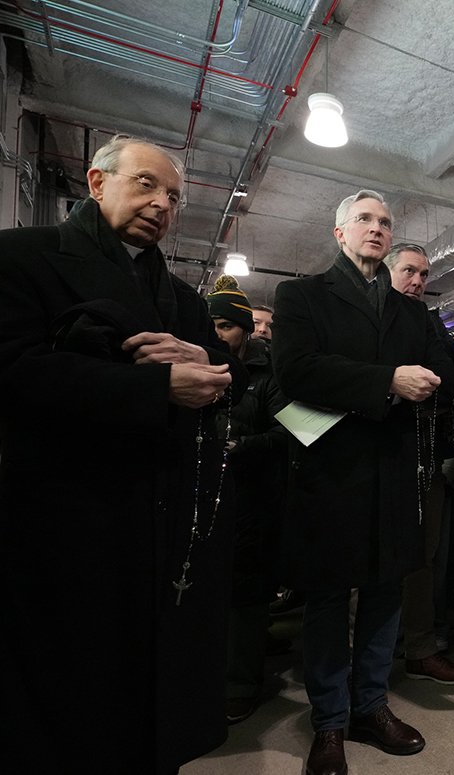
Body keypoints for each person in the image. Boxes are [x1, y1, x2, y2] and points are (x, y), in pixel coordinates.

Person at [0, 135, 247, 774]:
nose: (162, 204)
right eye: (146, 184)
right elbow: (16, 373)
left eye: (173, 196)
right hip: (69, 519)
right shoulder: (22, 258)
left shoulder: (186, 299)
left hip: (164, 522)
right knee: (74, 694)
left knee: (155, 681)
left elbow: (227, 380)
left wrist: (209, 368)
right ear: (96, 181)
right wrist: (156, 386)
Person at [272, 190, 454, 775]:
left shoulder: (414, 313)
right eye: (365, 220)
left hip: (397, 468)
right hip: (333, 470)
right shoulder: (301, 296)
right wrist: (388, 381)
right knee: (329, 598)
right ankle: (329, 723)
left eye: (385, 222)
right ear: (340, 232)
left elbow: (447, 373)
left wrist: (425, 381)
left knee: (385, 593)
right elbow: (296, 371)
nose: (376, 229)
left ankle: (371, 707)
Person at [385, 243, 454, 686]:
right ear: (386, 271)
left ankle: (420, 648)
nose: (418, 281)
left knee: (425, 552)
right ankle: (357, 659)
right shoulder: (368, 316)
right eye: (408, 271)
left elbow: (449, 380)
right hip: (374, 453)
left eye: (423, 274)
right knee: (370, 553)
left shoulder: (431, 322)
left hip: (428, 449)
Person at [207, 276, 289, 724]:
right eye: (212, 326)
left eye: (225, 326)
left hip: (254, 501)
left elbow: (292, 434)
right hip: (206, 497)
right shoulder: (197, 366)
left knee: (246, 595)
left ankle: (241, 682)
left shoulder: (269, 375)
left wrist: (241, 447)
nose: (217, 335)